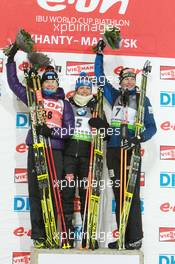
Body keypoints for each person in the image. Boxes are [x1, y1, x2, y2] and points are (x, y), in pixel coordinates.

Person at [6, 43, 75, 248]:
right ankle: (38, 235)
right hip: (37, 147)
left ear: (58, 84)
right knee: (36, 192)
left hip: (55, 151)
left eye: (54, 82)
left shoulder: (65, 104)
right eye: (48, 82)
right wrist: (10, 61)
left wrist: (52, 131)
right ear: (42, 84)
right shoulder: (35, 99)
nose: (51, 85)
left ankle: (53, 232)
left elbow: (69, 130)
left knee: (53, 192)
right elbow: (13, 84)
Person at [94, 40, 157, 250]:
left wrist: (139, 138)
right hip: (113, 149)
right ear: (120, 82)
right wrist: (99, 54)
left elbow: (152, 127)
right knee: (119, 192)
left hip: (131, 150)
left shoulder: (142, 100)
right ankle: (123, 237)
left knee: (132, 193)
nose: (129, 82)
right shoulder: (115, 96)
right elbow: (100, 79)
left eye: (132, 79)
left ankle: (135, 237)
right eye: (126, 79)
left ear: (135, 81)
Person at [62, 71, 109, 248]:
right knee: (67, 194)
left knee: (86, 195)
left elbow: (105, 134)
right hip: (68, 155)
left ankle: (88, 237)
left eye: (87, 88)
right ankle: (66, 237)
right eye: (81, 87)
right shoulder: (67, 105)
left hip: (87, 156)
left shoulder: (96, 107)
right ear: (76, 89)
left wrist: (101, 125)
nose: (84, 91)